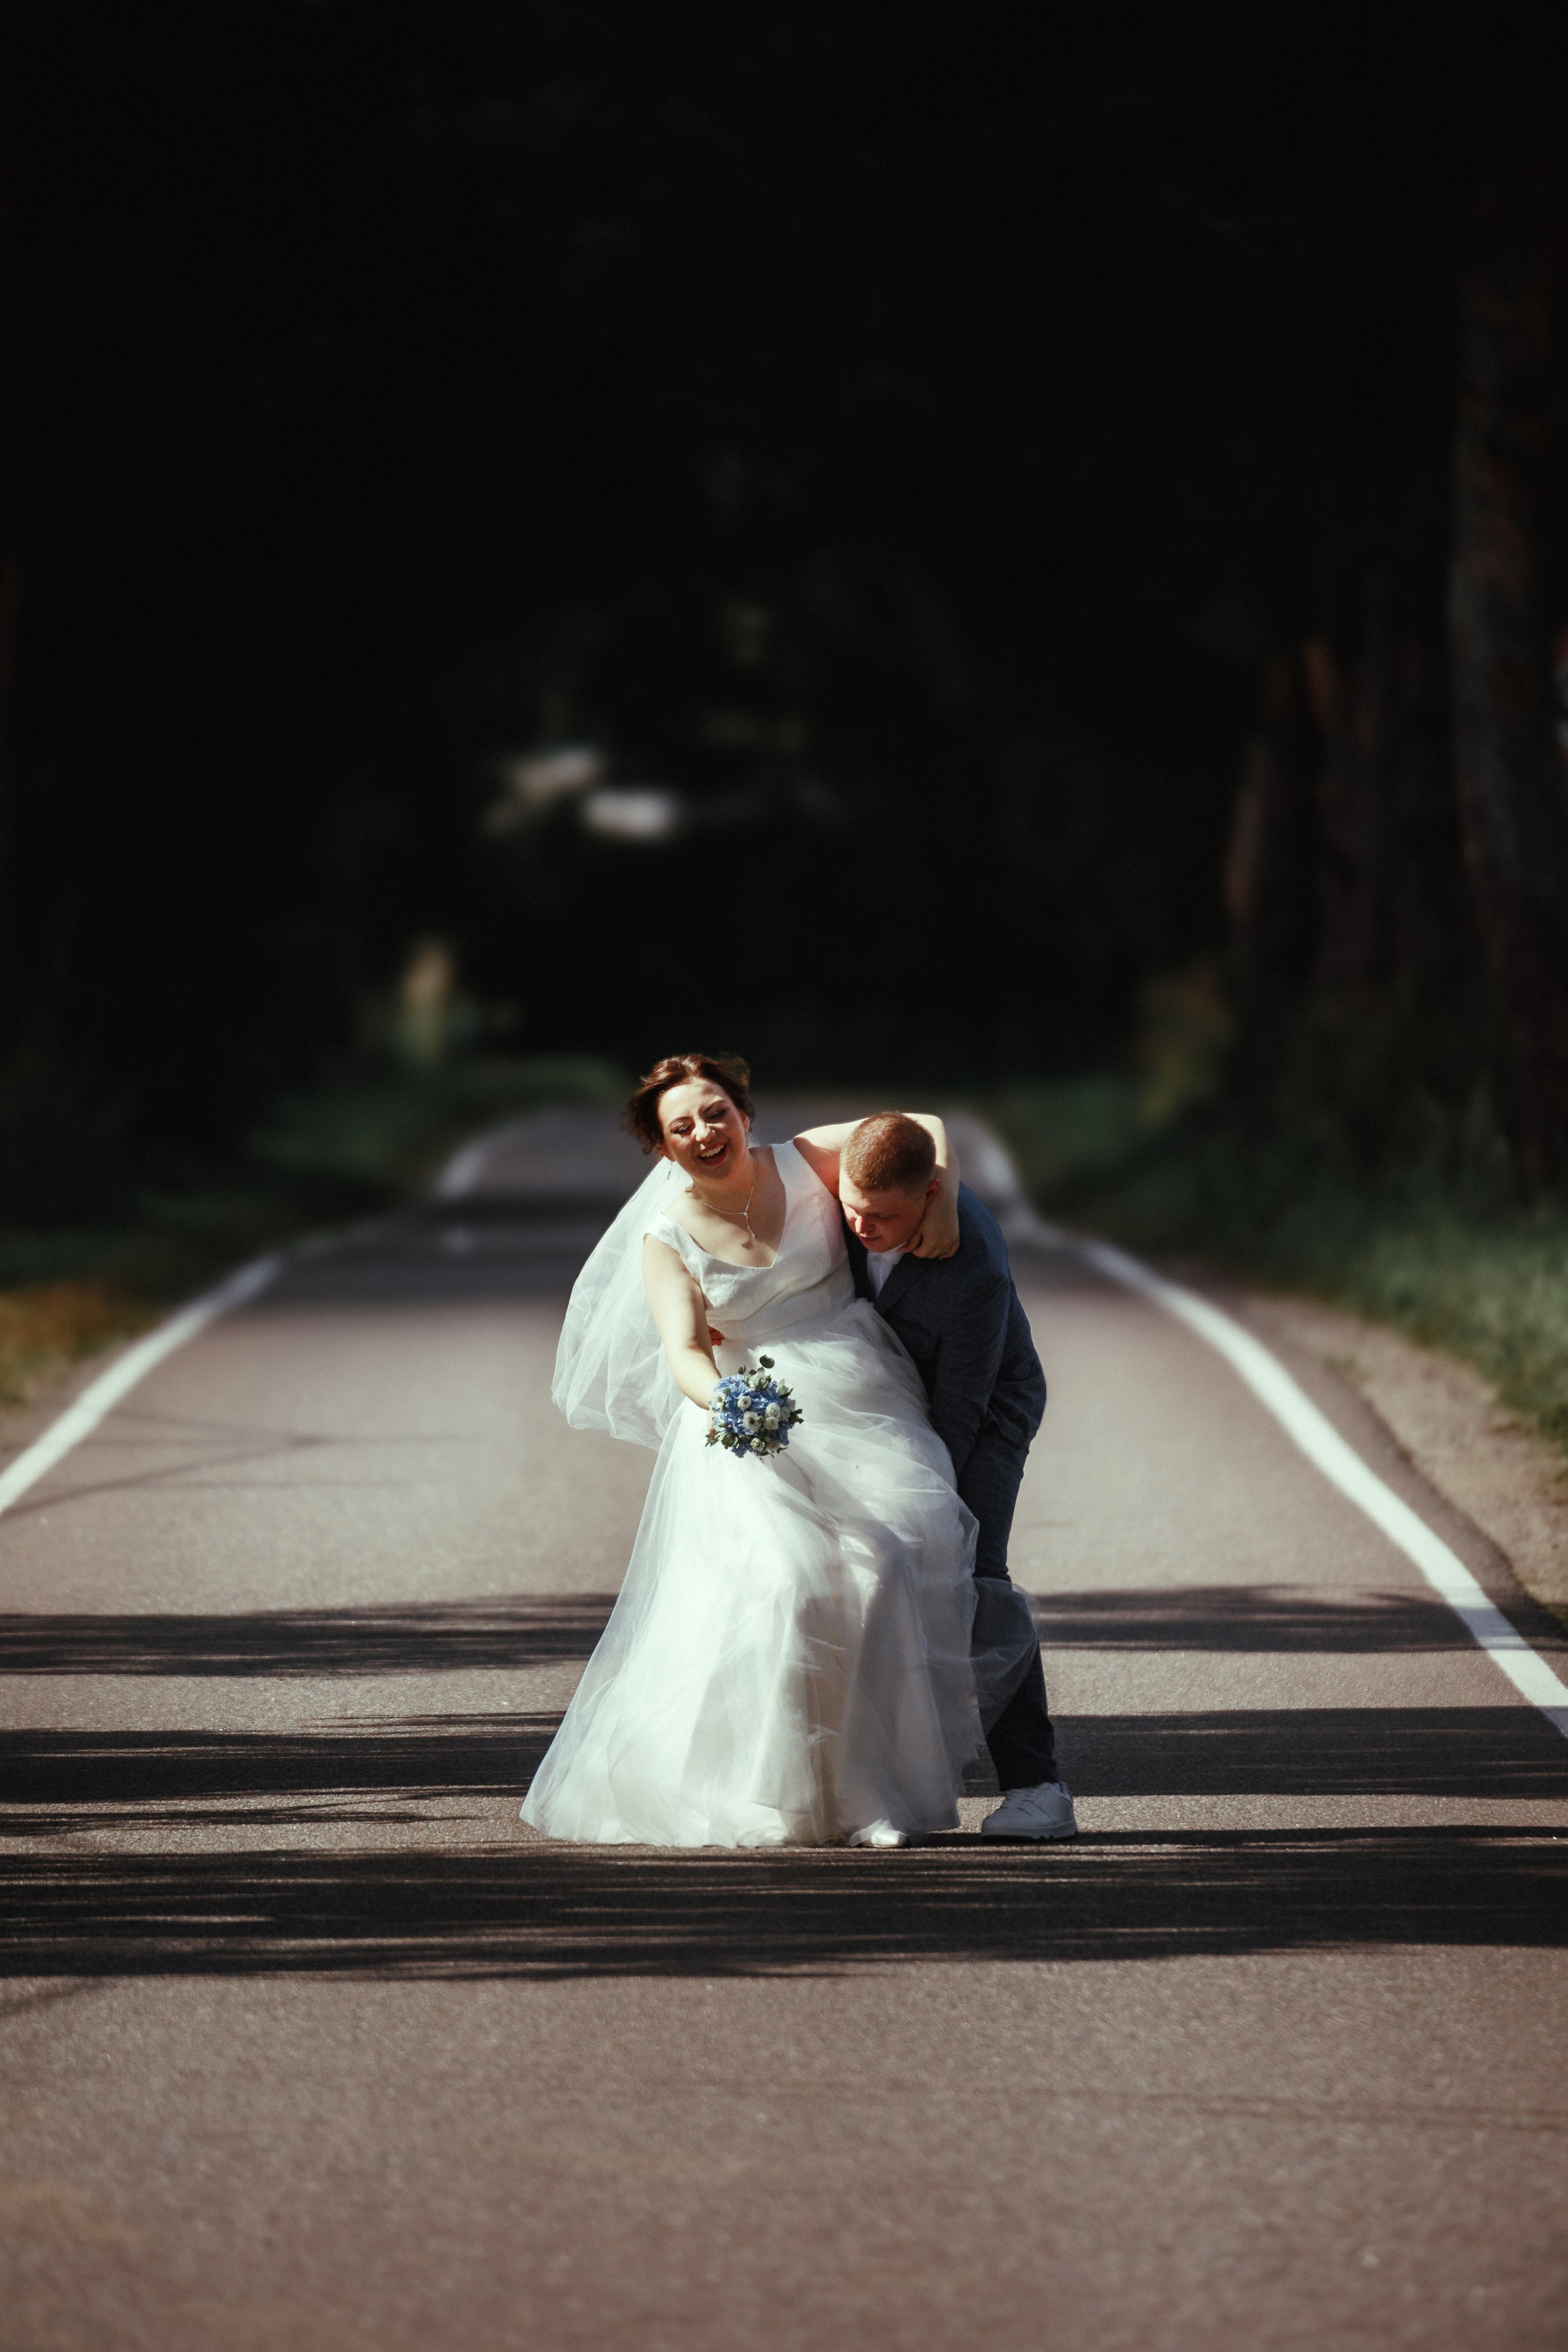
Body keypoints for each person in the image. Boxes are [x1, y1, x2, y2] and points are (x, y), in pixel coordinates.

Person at [522, 1051, 1038, 1849]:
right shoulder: (666, 1238)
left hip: (864, 1392)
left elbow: (922, 1129)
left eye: (715, 1112)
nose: (703, 1131)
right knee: (790, 1584)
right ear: (663, 1148)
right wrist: (729, 1403)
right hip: (752, 1410)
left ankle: (871, 1790)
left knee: (882, 1572)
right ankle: (785, 1790)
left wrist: (944, 1209)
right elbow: (686, 1351)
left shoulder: (805, 1160)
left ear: (745, 1113)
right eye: (680, 1126)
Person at [838, 1112, 1076, 1839]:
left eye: (884, 1215)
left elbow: (960, 1411)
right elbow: (917, 1122)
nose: (863, 1225)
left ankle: (1038, 1787)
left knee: (971, 1576)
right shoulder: (847, 1191)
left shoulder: (974, 1269)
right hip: (876, 1398)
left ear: (930, 1193)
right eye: (853, 1209)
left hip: (981, 1410)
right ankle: (863, 1784)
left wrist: (922, 1506)